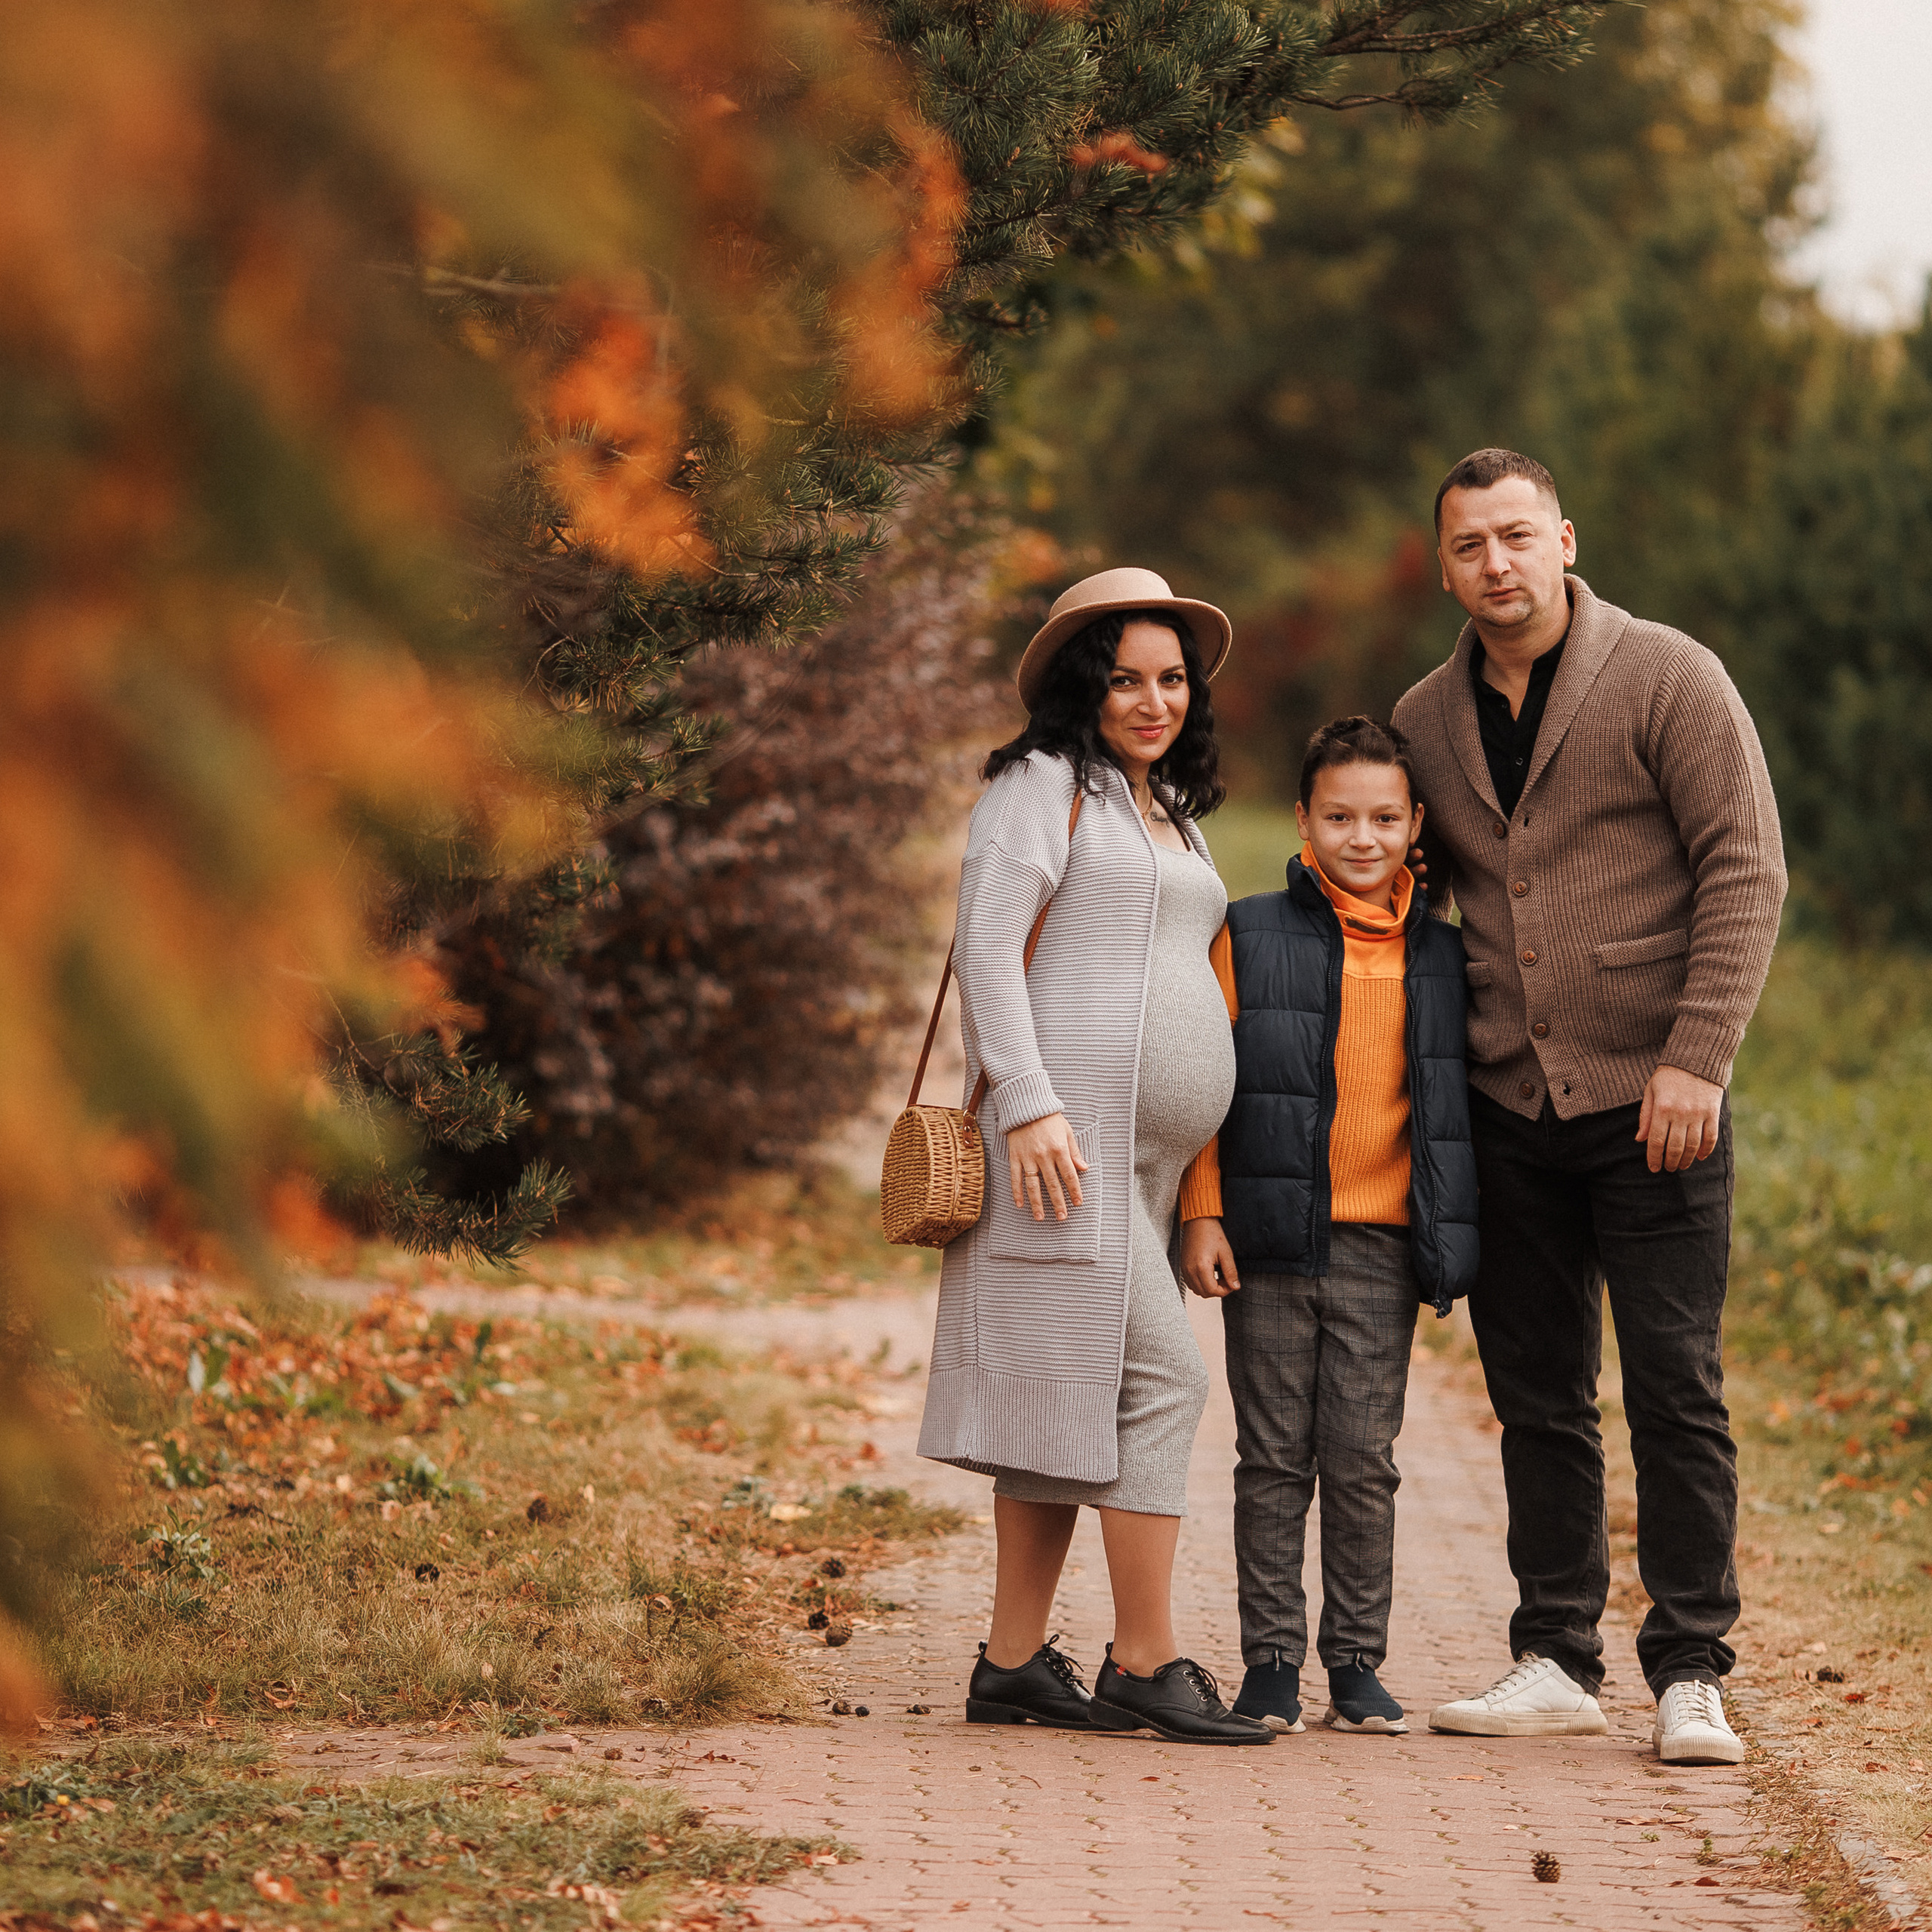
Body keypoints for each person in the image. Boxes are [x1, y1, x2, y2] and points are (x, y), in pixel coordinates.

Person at [1392, 449, 1786, 1766]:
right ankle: (1556, 1652)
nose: (1495, 565)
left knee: (1677, 1387)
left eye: (1516, 536)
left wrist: (1700, 1057)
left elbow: (1746, 867)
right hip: (1507, 1103)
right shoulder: (1424, 719)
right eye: (1468, 546)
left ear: (1565, 537)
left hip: (1654, 1101)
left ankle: (1690, 1669)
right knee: (1538, 1393)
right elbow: (1410, 892)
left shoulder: (1669, 675)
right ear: (1442, 563)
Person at [915, 565, 1272, 1747]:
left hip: (1146, 1169)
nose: (1153, 699)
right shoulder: (1039, 785)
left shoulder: (1164, 803)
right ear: (1085, 685)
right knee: (1163, 1380)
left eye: (1171, 680)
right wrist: (1026, 1103)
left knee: (1072, 1398)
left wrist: (1197, 1187)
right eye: (1126, 679)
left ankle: (1012, 1664)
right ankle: (1145, 1660)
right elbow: (987, 947)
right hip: (1062, 1155)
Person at [1177, 718, 1478, 1739]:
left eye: (1385, 818)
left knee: (1362, 1457)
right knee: (1270, 1457)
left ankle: (1355, 1661)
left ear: (1416, 823)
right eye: (1340, 816)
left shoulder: (1444, 957)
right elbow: (1203, 1090)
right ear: (1303, 819)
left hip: (1381, 1246)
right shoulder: (1247, 933)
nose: (1363, 836)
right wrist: (1202, 1210)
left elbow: (1450, 1110)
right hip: (1266, 1235)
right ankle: (1271, 1660)